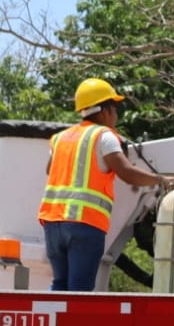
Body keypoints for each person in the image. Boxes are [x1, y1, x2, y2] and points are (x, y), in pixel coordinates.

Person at [38, 77, 166, 291]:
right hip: (85, 226)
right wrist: (160, 180)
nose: (116, 115)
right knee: (80, 289)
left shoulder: (60, 138)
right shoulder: (104, 136)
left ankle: (58, 324)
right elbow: (126, 172)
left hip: (52, 223)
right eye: (115, 109)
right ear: (105, 111)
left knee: (59, 285)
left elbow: (50, 170)